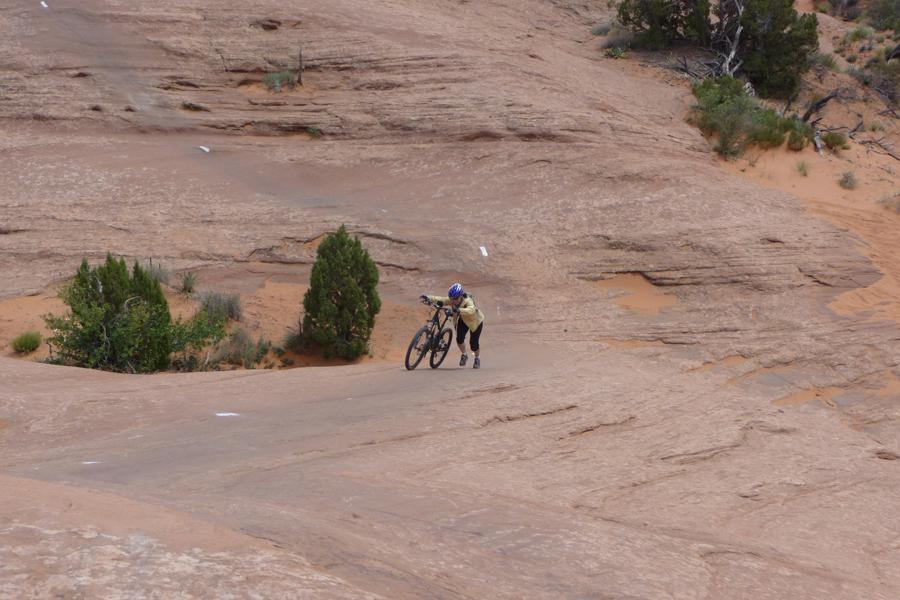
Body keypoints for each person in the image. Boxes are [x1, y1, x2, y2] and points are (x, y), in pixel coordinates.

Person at [420, 283, 485, 369]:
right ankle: (464, 354)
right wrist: (428, 297)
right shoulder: (453, 299)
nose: (453, 301)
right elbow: (441, 299)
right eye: (451, 299)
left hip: (476, 322)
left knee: (474, 344)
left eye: (455, 299)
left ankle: (477, 358)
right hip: (463, 320)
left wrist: (458, 310)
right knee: (459, 338)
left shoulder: (468, 301)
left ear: (461, 296)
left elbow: (471, 310)